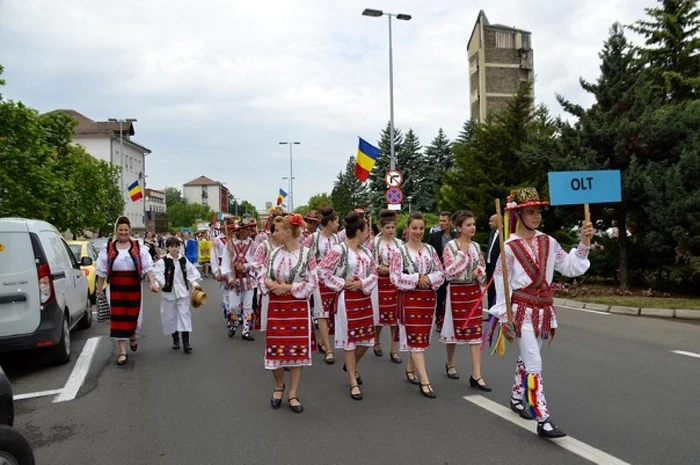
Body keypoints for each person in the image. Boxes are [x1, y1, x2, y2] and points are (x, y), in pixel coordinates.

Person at [491, 187, 593, 438]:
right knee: (534, 361)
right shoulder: (509, 247)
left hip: (544, 311)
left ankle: (517, 397)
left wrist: (584, 243)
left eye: (538, 211)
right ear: (519, 214)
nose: (536, 216)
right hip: (522, 310)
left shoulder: (549, 241)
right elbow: (501, 286)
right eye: (530, 212)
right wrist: (505, 318)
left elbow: (570, 267)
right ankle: (542, 418)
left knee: (528, 358)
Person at [259, 214, 319, 414]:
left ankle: (293, 393)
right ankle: (279, 385)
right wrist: (271, 285)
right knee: (274, 349)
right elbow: (263, 275)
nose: (274, 233)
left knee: (296, 352)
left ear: (287, 232)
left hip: (296, 308)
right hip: (276, 306)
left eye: (277, 230)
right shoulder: (274, 253)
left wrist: (289, 287)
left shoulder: (307, 254)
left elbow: (312, 282)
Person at [318, 212, 377, 400]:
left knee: (367, 340)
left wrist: (362, 283)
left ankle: (352, 365)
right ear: (359, 232)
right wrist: (342, 283)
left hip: (363, 297)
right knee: (350, 340)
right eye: (366, 230)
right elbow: (322, 270)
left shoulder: (367, 251)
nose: (369, 233)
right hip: (346, 299)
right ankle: (352, 380)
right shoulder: (339, 250)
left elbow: (374, 273)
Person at [390, 212, 445, 399]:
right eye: (414, 228)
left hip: (428, 299)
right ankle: (425, 380)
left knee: (421, 336)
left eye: (421, 228)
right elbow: (395, 276)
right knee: (415, 338)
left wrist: (428, 278)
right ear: (407, 229)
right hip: (409, 299)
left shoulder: (430, 250)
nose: (418, 231)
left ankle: (410, 368)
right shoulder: (400, 251)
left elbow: (441, 272)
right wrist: (416, 279)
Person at [96, 216, 158, 365]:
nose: (123, 232)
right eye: (120, 230)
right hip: (115, 287)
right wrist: (99, 290)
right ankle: (122, 352)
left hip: (133, 285)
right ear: (116, 231)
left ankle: (133, 335)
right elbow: (102, 271)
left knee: (133, 315)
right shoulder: (108, 247)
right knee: (118, 318)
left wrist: (152, 282)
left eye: (125, 230)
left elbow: (147, 266)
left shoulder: (138, 246)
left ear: (130, 230)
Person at [439, 210, 491, 391]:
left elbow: (482, 267)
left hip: (473, 292)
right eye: (468, 225)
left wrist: (479, 273)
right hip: (456, 292)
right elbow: (449, 272)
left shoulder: (476, 246)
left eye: (473, 224)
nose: (473, 227)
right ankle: (450, 362)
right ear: (459, 227)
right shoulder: (450, 247)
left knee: (475, 334)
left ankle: (477, 375)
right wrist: (462, 254)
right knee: (453, 331)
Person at [303, 207, 340, 364]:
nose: (338, 225)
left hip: (334, 277)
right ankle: (329, 349)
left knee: (331, 312)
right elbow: (303, 253)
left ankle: (322, 341)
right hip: (319, 277)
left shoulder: (337, 239)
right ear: (330, 222)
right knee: (322, 312)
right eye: (337, 222)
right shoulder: (313, 237)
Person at [154, 237, 202, 353]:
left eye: (176, 246)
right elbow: (158, 275)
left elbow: (191, 274)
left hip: (182, 292)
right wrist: (156, 284)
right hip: (169, 292)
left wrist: (194, 284)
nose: (174, 249)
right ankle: (175, 339)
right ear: (167, 248)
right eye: (171, 246)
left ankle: (186, 342)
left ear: (179, 247)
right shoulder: (163, 261)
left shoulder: (183, 260)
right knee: (170, 316)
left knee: (184, 315)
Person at [369, 209, 403, 363]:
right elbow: (369, 261)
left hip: (395, 284)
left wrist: (390, 270)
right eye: (387, 227)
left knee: (394, 318)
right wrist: (377, 268)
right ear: (382, 228)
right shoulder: (375, 243)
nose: (390, 230)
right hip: (380, 283)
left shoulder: (400, 244)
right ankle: (376, 342)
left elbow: (404, 264)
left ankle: (394, 349)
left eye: (392, 227)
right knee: (379, 316)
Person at [221, 215, 257, 341]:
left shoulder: (253, 244)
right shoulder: (229, 245)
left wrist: (246, 266)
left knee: (248, 306)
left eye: (250, 229)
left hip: (248, 278)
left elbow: (257, 262)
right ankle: (234, 323)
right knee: (233, 307)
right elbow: (225, 264)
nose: (249, 232)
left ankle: (246, 330)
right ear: (240, 230)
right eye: (247, 229)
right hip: (234, 279)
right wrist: (230, 279)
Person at [428, 212, 457, 332]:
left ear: (450, 222)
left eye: (444, 221)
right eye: (440, 221)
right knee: (440, 297)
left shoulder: (457, 236)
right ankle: (439, 320)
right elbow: (429, 252)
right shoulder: (434, 236)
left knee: (453, 297)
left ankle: (452, 321)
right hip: (439, 272)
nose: (442, 223)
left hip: (454, 272)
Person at [485, 214, 500, 309]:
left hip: (497, 267)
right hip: (490, 266)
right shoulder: (492, 233)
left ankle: (497, 312)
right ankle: (490, 310)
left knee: (497, 289)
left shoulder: (504, 234)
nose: (489, 223)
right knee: (490, 289)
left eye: (491, 221)